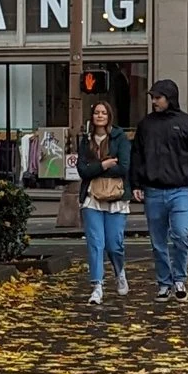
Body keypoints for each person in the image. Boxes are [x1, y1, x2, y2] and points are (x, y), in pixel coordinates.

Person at [131, 77, 188, 299]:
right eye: (153, 97)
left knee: (181, 235)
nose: (154, 101)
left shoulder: (187, 124)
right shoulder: (146, 125)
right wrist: (136, 183)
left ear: (169, 98)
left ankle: (179, 279)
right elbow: (137, 155)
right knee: (158, 242)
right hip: (153, 190)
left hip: (180, 189)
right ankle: (165, 283)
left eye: (158, 97)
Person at [76, 95, 131, 306]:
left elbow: (124, 167)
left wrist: (96, 168)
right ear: (92, 116)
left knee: (114, 244)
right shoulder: (85, 140)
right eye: (96, 113)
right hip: (91, 198)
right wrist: (104, 165)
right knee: (95, 243)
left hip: (115, 197)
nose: (100, 116)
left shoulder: (120, 138)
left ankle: (119, 272)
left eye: (103, 113)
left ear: (109, 116)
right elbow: (82, 171)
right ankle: (97, 286)